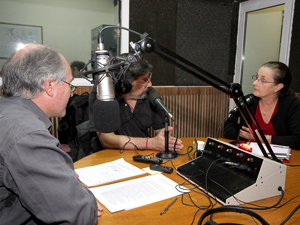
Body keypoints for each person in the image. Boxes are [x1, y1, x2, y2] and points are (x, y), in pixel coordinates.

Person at [0, 44, 103, 224]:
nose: (72, 94)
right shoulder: (27, 135)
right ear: (49, 86)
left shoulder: (7, 113)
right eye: (70, 85)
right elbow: (80, 214)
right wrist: (74, 186)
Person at [96, 54, 184, 152]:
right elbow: (106, 139)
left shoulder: (150, 93)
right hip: (111, 156)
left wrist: (162, 138)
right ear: (125, 85)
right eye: (144, 80)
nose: (150, 84)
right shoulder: (103, 95)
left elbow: (161, 128)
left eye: (148, 78)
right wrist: (150, 143)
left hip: (144, 154)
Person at [224, 61, 300, 150]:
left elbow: (298, 140)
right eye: (256, 78)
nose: (255, 83)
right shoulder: (249, 101)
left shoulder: (291, 104)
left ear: (278, 87)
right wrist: (249, 136)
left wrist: (262, 138)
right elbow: (228, 128)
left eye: (263, 81)